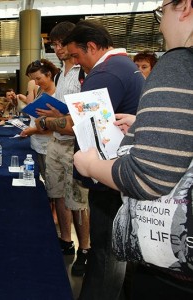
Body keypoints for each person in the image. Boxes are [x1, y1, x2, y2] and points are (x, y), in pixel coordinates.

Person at [73, 0, 193, 297]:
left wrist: (89, 166)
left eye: (162, 11)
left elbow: (147, 176)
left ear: (185, 7)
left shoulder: (179, 64)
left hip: (175, 267)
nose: (161, 24)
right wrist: (142, 123)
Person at [62, 20, 144, 300]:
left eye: (76, 55)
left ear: (93, 47)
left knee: (106, 253)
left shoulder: (105, 73)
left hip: (110, 178)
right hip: (122, 173)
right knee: (119, 251)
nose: (76, 62)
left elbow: (84, 123)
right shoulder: (124, 65)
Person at [40, 21, 91, 277]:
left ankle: (85, 249)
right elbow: (62, 109)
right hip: (56, 141)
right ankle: (65, 240)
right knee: (57, 193)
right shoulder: (60, 72)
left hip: (75, 145)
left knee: (78, 201)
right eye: (54, 45)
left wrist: (56, 115)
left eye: (60, 44)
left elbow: (84, 113)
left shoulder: (84, 70)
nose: (57, 49)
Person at [19, 59, 58, 182]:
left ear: (49, 74)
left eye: (38, 79)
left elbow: (56, 125)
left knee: (52, 182)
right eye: (33, 80)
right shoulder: (41, 90)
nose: (36, 82)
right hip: (38, 144)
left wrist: (32, 130)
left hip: (50, 146)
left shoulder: (58, 93)